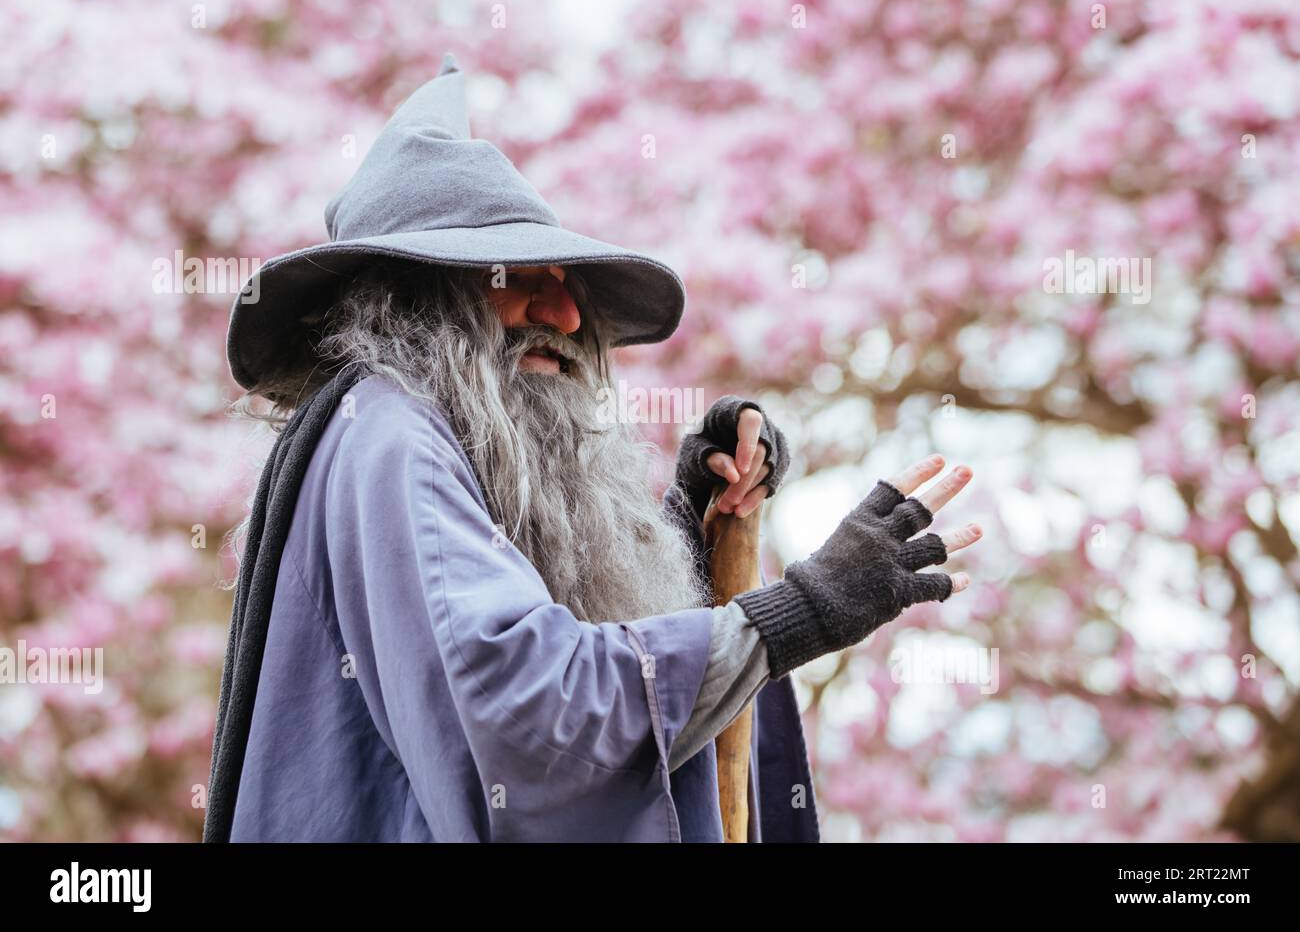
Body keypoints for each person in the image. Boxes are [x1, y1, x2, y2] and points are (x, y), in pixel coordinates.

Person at [203, 53, 980, 843]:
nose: (566, 314)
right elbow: (528, 716)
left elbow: (536, 639)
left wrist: (691, 528)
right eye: (515, 275)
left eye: (565, 278)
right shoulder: (392, 435)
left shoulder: (410, 432)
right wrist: (804, 611)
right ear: (413, 294)